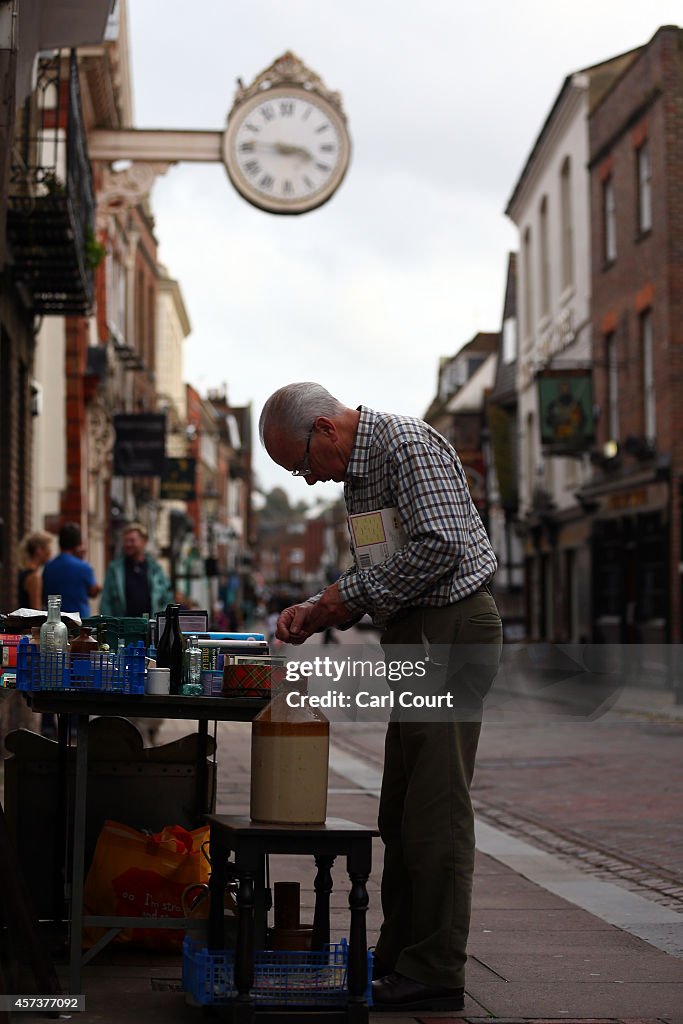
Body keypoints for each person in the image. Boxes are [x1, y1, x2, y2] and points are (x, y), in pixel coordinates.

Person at [259, 382, 503, 1012]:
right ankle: (399, 956)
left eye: (302, 463)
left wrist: (337, 601)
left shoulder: (405, 447)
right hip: (417, 634)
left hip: (449, 629)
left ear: (324, 428)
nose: (308, 480)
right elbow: (386, 564)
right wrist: (323, 607)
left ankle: (437, 970)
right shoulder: (361, 471)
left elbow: (442, 546)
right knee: (400, 808)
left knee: (436, 809)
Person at [99, 522, 174, 618]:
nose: (128, 544)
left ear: (144, 541)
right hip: (122, 629)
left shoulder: (156, 570)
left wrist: (160, 623)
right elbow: (106, 602)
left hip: (150, 628)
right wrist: (110, 626)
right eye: (125, 541)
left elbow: (167, 599)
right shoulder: (114, 569)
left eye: (132, 540)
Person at [41, 522, 101, 617]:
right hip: (79, 621)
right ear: (78, 543)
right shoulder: (84, 567)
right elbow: (93, 592)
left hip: (55, 620)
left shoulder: (48, 567)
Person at [17, 530, 53, 608]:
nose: (50, 553)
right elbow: (36, 611)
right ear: (39, 550)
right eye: (48, 549)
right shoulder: (35, 577)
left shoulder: (23, 573)